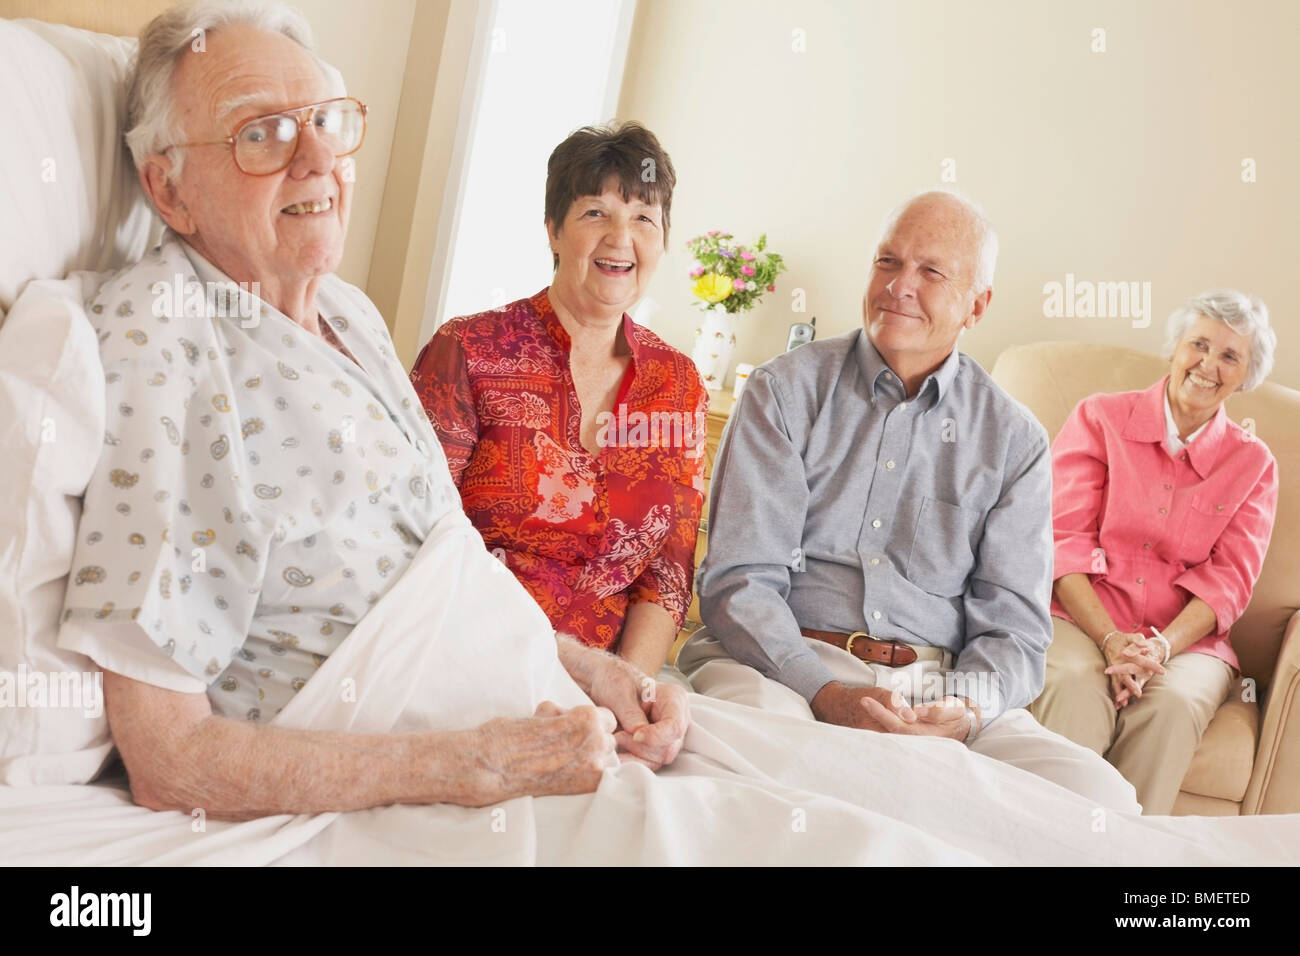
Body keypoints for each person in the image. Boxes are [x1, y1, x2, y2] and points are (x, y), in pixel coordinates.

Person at [57, 0, 688, 819]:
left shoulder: (348, 311)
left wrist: (595, 670)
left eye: (324, 120)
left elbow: (443, 565)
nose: (319, 158)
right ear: (167, 190)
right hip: (428, 777)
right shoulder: (161, 336)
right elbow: (170, 760)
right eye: (261, 133)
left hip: (550, 718)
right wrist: (482, 765)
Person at [678, 190, 1141, 811]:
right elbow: (740, 583)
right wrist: (825, 692)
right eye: (887, 262)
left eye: (931, 272)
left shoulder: (1015, 440)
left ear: (977, 305)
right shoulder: (782, 392)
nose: (899, 286)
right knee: (768, 768)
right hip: (785, 667)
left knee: (1098, 800)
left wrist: (965, 708)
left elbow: (1014, 630)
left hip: (937, 688)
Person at [411, 123, 707, 680]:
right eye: (596, 213)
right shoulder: (470, 350)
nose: (620, 238)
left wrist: (629, 690)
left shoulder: (678, 383)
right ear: (553, 230)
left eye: (643, 218)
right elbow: (417, 532)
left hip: (612, 682)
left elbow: (666, 576)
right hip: (465, 656)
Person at [1029, 291, 1279, 813]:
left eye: (1229, 356)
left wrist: (1159, 650)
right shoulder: (1099, 418)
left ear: (1245, 376)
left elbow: (1229, 581)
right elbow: (1064, 540)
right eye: (1199, 344)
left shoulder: (1254, 465)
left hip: (1186, 643)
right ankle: (1050, 838)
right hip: (1081, 618)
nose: (1208, 365)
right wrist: (1112, 640)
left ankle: (1125, 848)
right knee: (1075, 685)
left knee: (1174, 705)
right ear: (1176, 348)